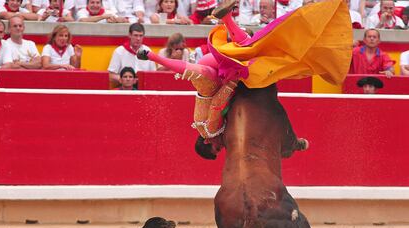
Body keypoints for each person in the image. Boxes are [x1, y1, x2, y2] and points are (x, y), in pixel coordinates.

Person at [137, 0, 352, 139]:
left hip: (225, 73)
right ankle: (227, 20)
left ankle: (227, 20)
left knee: (211, 70)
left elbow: (194, 69)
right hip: (232, 76)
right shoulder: (237, 53)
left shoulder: (224, 56)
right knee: (234, 60)